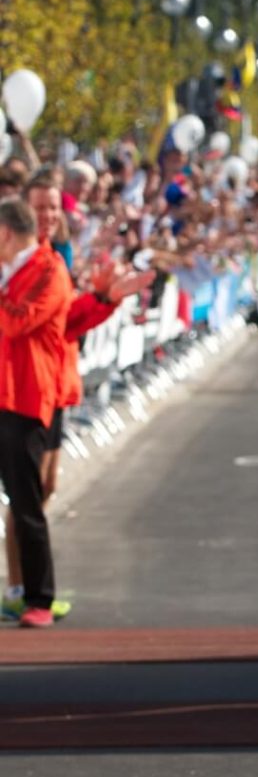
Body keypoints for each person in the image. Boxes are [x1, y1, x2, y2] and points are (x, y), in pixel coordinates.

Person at [1, 174, 155, 622]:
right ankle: (21, 588)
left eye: (53, 207)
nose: (49, 215)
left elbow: (59, 322)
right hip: (28, 387)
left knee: (38, 490)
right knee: (25, 494)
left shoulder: (50, 264)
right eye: (41, 207)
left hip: (46, 386)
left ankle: (31, 590)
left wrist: (103, 299)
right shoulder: (29, 263)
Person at [0, 197, 73, 628]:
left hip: (25, 399)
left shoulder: (49, 271)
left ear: (6, 233)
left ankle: (39, 597)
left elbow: (16, 322)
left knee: (27, 500)